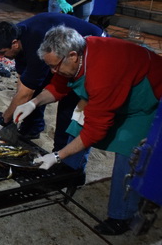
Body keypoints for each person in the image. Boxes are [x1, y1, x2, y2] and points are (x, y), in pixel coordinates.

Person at [13, 25, 162, 236]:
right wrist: (34, 102)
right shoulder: (75, 53)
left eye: (54, 66)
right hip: (112, 93)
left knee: (129, 156)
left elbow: (95, 132)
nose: (53, 71)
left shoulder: (101, 74)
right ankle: (70, 174)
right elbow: (59, 85)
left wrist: (57, 155)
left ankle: (122, 216)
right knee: (77, 126)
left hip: (143, 102)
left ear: (72, 56)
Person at [0, 13, 104, 149]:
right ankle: (32, 128)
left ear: (14, 44)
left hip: (91, 49)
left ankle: (61, 152)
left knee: (68, 106)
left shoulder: (36, 45)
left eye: (2, 52)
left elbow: (26, 93)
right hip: (59, 52)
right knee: (34, 88)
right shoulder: (15, 36)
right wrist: (21, 105)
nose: (1, 57)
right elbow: (24, 81)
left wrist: (3, 120)